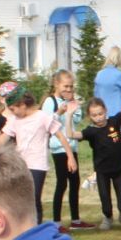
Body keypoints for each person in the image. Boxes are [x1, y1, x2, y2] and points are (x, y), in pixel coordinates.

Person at [0, 84, 61, 214]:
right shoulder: (14, 119)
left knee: (34, 197)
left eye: (13, 109)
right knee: (21, 199)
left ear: (22, 105)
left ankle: (37, 228)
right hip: (22, 164)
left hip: (38, 164)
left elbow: (59, 134)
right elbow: (1, 140)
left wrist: (70, 156)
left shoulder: (41, 117)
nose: (12, 112)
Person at [77, 97, 121, 230]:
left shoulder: (114, 121)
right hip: (102, 171)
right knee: (105, 198)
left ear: (105, 111)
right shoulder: (90, 131)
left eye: (100, 114)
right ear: (90, 116)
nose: (98, 117)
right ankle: (107, 217)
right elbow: (71, 134)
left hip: (119, 168)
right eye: (94, 115)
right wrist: (68, 115)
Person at [43, 71, 86, 229]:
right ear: (56, 84)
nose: (69, 89)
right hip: (59, 148)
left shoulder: (72, 100)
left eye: (71, 86)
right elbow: (46, 123)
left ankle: (75, 220)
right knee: (62, 183)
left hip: (72, 146)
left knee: (75, 182)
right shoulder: (50, 101)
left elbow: (77, 119)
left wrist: (72, 110)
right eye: (65, 86)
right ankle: (56, 222)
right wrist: (59, 112)